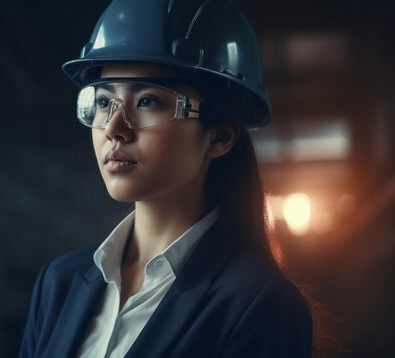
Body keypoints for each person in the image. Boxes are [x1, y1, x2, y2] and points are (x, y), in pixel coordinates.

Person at [20, 0, 313, 357]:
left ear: (219, 137)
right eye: (102, 101)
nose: (114, 129)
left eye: (147, 102)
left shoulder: (259, 305)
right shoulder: (59, 284)